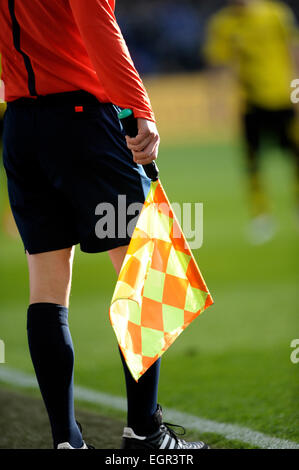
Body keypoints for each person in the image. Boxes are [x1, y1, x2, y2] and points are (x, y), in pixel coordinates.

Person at [0, 0, 208, 450]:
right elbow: (98, 23)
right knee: (146, 277)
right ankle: (145, 433)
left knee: (47, 288)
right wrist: (138, 106)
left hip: (20, 127)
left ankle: (66, 441)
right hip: (83, 124)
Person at [205, 0, 299, 244]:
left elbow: (293, 52)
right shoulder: (223, 23)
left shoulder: (275, 13)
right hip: (251, 103)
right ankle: (262, 216)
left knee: (295, 157)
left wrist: (296, 92)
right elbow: (218, 63)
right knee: (253, 162)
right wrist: (217, 101)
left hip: (283, 98)